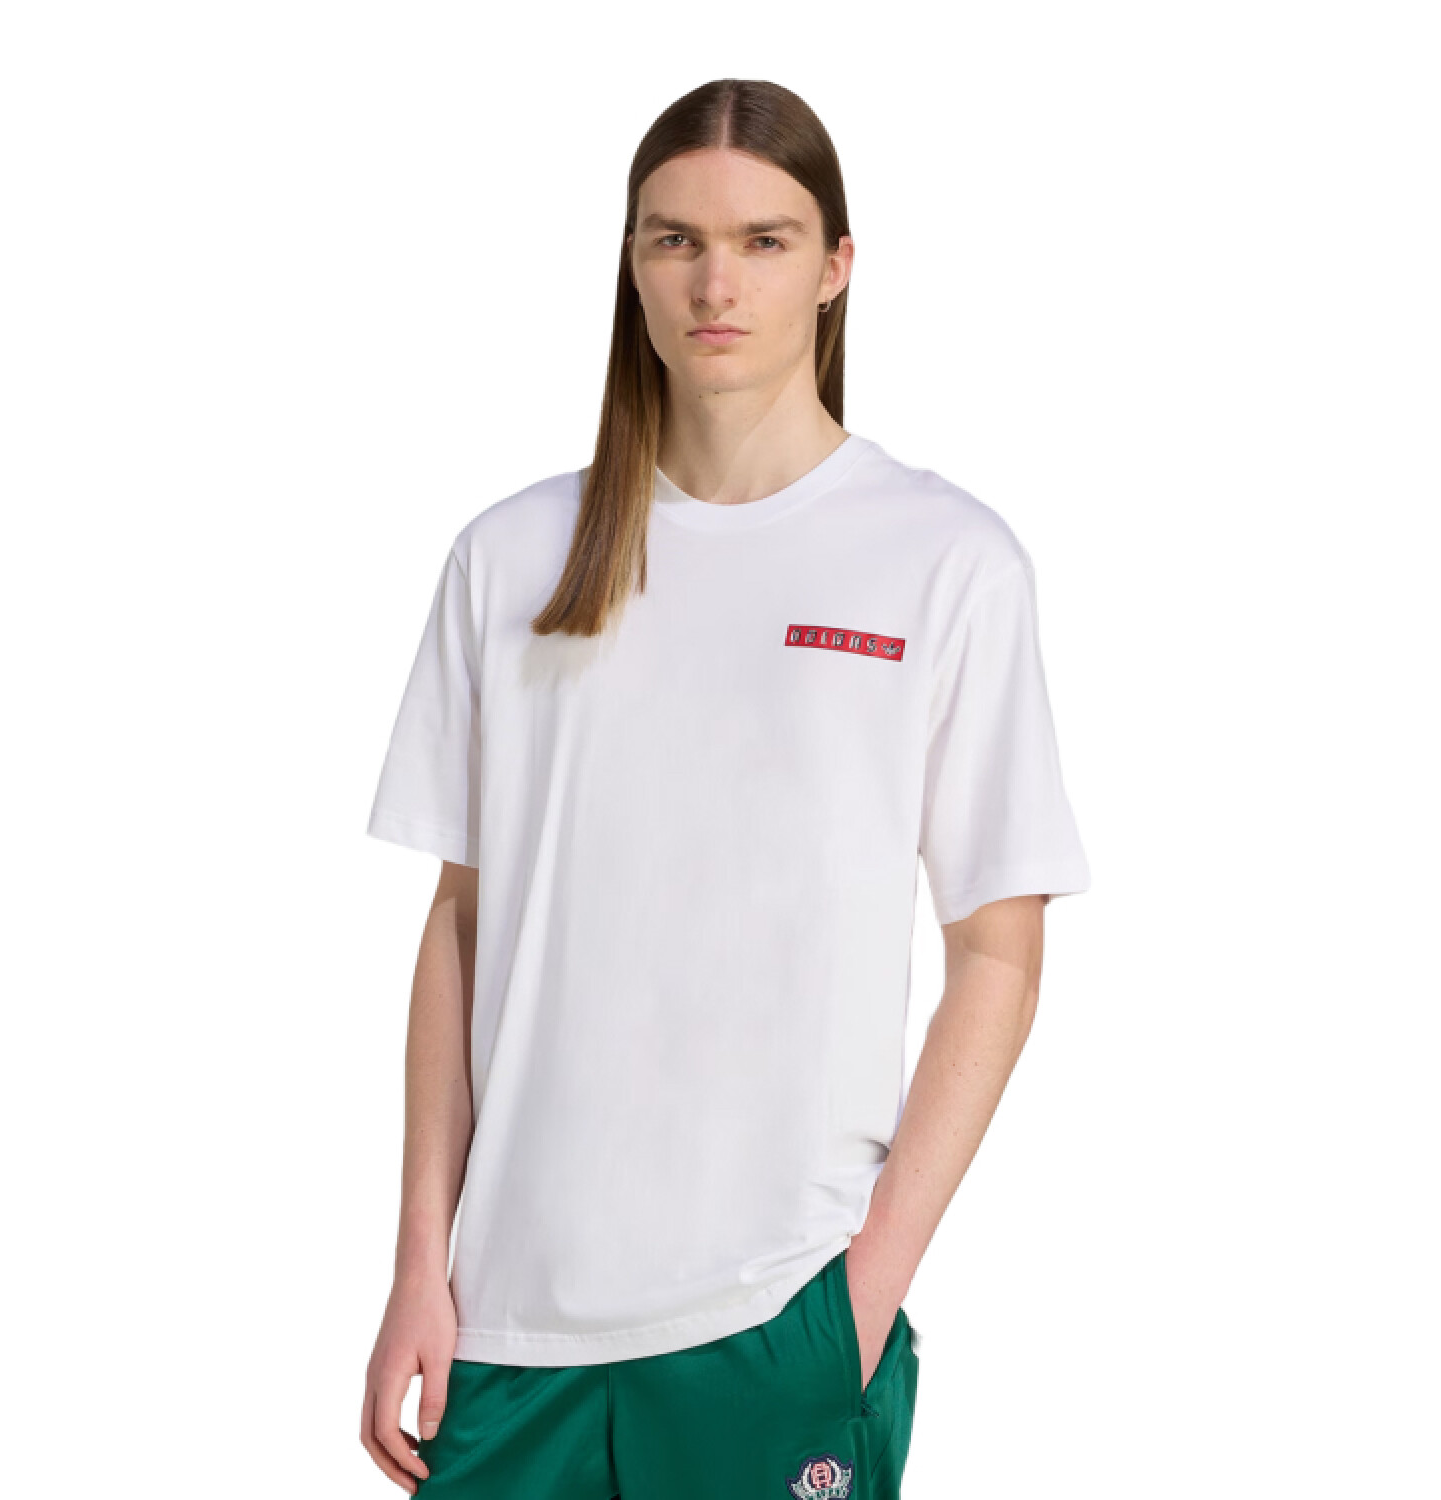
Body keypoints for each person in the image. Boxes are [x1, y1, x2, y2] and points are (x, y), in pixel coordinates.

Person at [359, 77, 1090, 1500]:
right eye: (675, 240)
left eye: (764, 240)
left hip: (779, 1318)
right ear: (631, 265)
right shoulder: (510, 559)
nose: (715, 283)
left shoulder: (944, 562)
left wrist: (860, 1296)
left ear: (835, 268)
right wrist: (416, 1268)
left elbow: (998, 951)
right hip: (506, 1326)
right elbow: (460, 923)